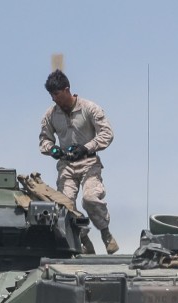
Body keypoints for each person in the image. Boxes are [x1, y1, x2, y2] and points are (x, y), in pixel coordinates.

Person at [39, 69, 119, 254]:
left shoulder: (89, 108)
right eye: (51, 96)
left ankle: (106, 233)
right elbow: (44, 139)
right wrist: (53, 149)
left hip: (89, 162)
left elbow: (107, 134)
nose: (54, 99)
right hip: (66, 166)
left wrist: (86, 147)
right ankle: (83, 238)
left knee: (90, 198)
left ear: (67, 90)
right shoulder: (51, 115)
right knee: (64, 205)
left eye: (57, 95)